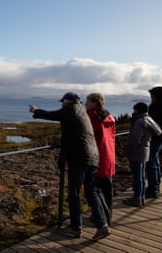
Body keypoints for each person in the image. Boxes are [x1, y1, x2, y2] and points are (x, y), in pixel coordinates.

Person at [29, 92, 109, 241]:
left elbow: (50, 115)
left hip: (78, 158)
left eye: (63, 101)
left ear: (67, 101)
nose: (62, 104)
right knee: (91, 192)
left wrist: (35, 110)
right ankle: (102, 224)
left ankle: (75, 228)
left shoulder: (70, 109)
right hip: (93, 157)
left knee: (74, 193)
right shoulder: (82, 112)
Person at [123, 102, 162, 207]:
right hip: (145, 150)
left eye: (134, 109)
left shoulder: (139, 122)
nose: (132, 112)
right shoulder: (148, 119)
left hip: (137, 152)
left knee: (137, 176)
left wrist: (127, 150)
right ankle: (141, 197)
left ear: (137, 110)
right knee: (141, 175)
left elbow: (135, 139)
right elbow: (158, 131)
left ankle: (137, 198)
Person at [85, 93, 116, 225]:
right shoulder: (109, 117)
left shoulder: (94, 117)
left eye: (88, 101)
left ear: (94, 103)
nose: (85, 104)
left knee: (95, 190)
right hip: (109, 155)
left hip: (98, 157)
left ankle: (102, 219)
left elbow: (90, 135)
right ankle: (107, 216)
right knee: (107, 188)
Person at [145, 86, 162, 199]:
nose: (151, 97)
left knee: (151, 162)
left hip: (156, 137)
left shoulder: (157, 107)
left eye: (152, 94)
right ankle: (156, 185)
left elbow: (151, 122)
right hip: (161, 137)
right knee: (155, 161)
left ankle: (153, 189)